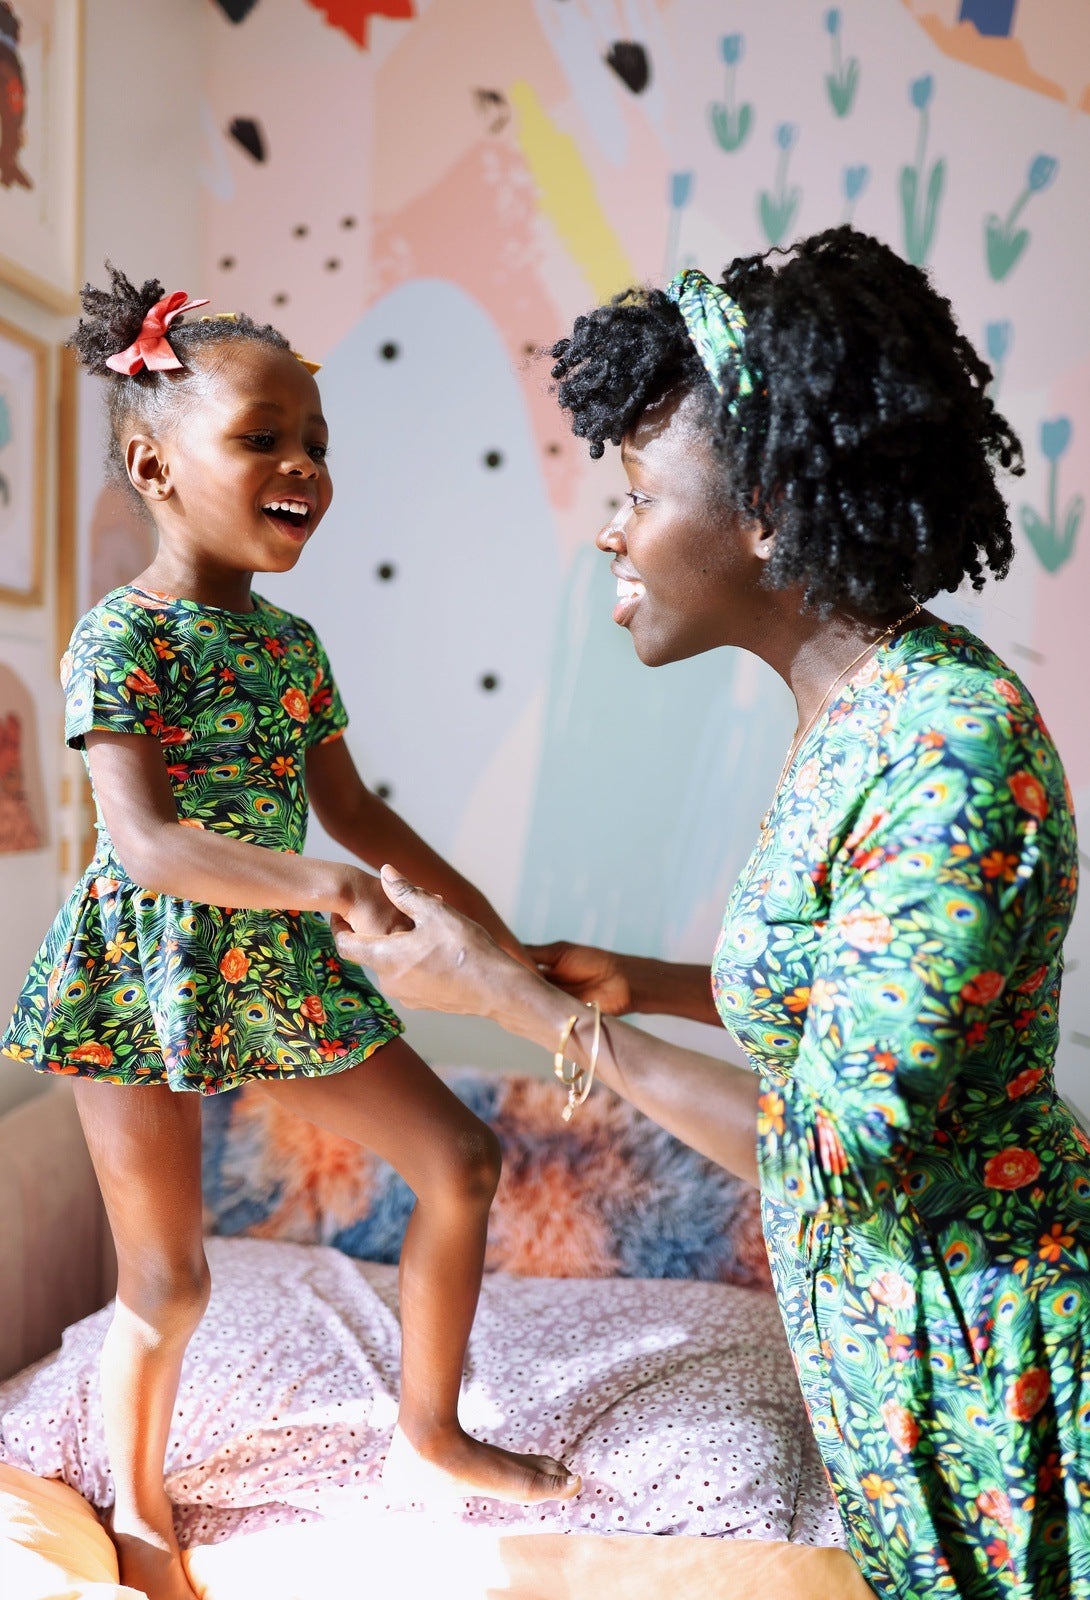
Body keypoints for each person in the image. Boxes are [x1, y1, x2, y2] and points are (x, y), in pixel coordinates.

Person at [335, 228, 1090, 1600]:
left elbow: (843, 1151)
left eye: (636, 490)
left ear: (769, 512)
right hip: (891, 1355)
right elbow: (845, 1000)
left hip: (995, 1367)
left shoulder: (948, 747)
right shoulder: (857, 711)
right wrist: (632, 979)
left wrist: (521, 1008)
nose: (611, 530)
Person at [0, 268, 576, 1600]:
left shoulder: (292, 648)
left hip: (271, 968)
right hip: (136, 975)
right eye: (263, 437)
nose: (305, 465)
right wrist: (324, 888)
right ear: (153, 466)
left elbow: (359, 813)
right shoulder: (119, 638)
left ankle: (429, 1434)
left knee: (462, 1158)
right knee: (167, 1281)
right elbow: (148, 846)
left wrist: (494, 940)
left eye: (316, 442)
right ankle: (140, 1510)